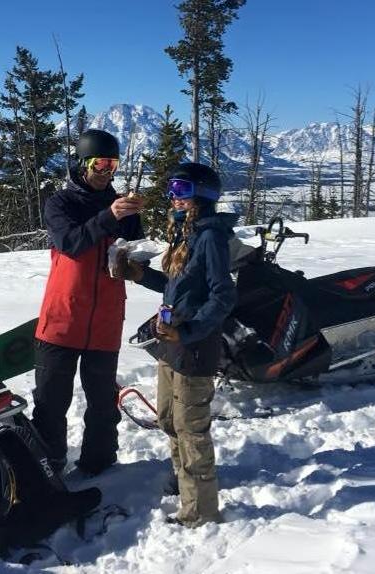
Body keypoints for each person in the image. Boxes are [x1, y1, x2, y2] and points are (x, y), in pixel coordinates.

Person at [114, 162, 237, 527]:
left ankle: (201, 511)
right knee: (169, 419)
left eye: (182, 190)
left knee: (191, 427)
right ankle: (182, 485)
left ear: (203, 195)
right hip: (172, 343)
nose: (174, 197)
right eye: (172, 190)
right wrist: (139, 274)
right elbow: (176, 287)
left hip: (193, 346)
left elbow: (223, 295)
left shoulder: (210, 237)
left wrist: (189, 331)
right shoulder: (186, 233)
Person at [32, 129, 144, 476]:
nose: (106, 172)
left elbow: (136, 254)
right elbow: (70, 243)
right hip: (63, 318)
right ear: (82, 164)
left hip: (106, 318)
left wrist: (138, 258)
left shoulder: (122, 206)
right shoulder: (61, 204)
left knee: (102, 403)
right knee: (51, 403)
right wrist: (109, 216)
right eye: (100, 164)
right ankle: (48, 465)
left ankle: (100, 463)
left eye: (112, 165)